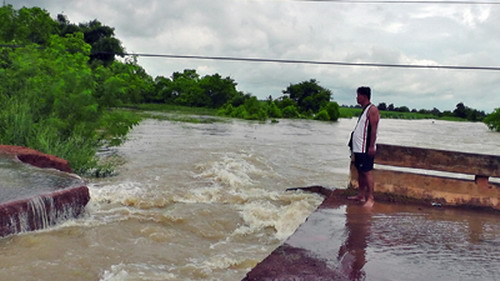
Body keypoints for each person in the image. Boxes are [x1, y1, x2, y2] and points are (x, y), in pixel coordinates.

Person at [348, 86, 380, 208]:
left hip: (365, 147)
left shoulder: (372, 110)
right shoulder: (365, 109)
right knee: (360, 172)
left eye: (358, 95)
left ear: (364, 96)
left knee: (367, 172)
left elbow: (374, 130)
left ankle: (370, 198)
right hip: (358, 147)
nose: (357, 98)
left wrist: (371, 146)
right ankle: (361, 195)